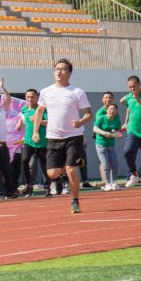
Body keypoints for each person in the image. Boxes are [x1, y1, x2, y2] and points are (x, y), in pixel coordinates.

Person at [33, 59, 92, 214]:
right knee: (52, 173)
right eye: (56, 69)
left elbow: (88, 114)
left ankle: (75, 201)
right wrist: (34, 132)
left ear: (69, 73)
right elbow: (39, 111)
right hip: (53, 138)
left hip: (73, 137)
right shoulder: (46, 91)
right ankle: (66, 168)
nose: (59, 72)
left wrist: (80, 122)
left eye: (63, 69)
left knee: (71, 170)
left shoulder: (77, 92)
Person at [17, 89, 49, 197]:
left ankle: (48, 187)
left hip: (42, 142)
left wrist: (37, 120)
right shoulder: (24, 109)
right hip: (28, 141)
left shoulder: (41, 109)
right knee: (24, 160)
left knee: (44, 166)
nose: (30, 99)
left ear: (37, 97)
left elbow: (48, 122)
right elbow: (21, 122)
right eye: (28, 97)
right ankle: (28, 186)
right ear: (25, 98)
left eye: (32, 97)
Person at [94, 103, 123, 191]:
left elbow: (117, 131)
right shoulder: (101, 118)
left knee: (115, 164)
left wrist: (116, 134)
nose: (111, 111)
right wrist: (104, 133)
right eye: (110, 109)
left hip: (111, 145)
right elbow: (95, 129)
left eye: (114, 109)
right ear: (107, 110)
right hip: (101, 144)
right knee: (105, 165)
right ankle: (107, 184)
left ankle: (113, 182)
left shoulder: (117, 119)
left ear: (116, 111)